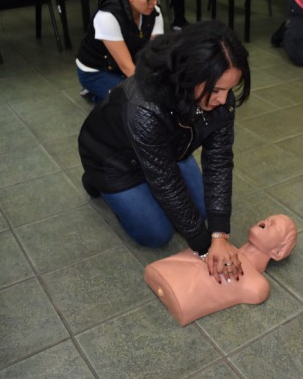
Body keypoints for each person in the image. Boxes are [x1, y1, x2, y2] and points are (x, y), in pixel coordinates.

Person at [78, 20, 251, 280]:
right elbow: (166, 182)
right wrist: (205, 248)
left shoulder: (219, 97)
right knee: (157, 235)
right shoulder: (146, 106)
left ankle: (143, 193)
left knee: (206, 213)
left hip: (167, 149)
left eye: (229, 89)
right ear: (189, 76)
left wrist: (219, 234)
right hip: (112, 159)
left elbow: (219, 162)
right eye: (216, 90)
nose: (224, 100)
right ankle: (96, 180)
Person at [144, 214, 298, 326]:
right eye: (267, 219)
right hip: (163, 272)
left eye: (275, 227)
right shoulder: (222, 245)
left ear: (279, 252)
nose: (265, 223)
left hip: (179, 295)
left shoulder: (257, 285)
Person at [76, 0, 164, 104]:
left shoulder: (154, 12)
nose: (154, 3)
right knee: (135, 101)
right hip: (97, 71)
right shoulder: (108, 16)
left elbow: (155, 55)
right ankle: (97, 92)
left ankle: (108, 92)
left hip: (126, 66)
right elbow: (127, 68)